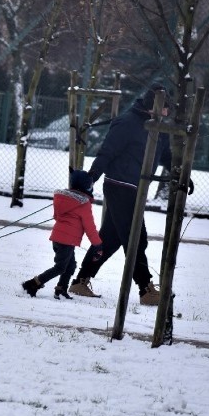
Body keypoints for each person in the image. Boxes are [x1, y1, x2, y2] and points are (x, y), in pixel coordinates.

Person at [68, 84, 175, 305]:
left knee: (110, 239)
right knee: (136, 237)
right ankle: (145, 289)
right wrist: (92, 176)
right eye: (165, 107)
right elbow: (108, 150)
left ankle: (80, 281)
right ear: (152, 106)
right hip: (119, 185)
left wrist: (182, 173)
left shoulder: (160, 129)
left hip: (136, 189)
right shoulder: (128, 123)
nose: (168, 112)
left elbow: (166, 157)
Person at [22, 170, 103, 300]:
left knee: (70, 266)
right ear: (87, 186)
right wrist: (97, 244)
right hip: (67, 240)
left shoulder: (62, 198)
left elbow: (56, 216)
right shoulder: (84, 204)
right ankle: (33, 284)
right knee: (60, 267)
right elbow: (90, 227)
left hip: (57, 237)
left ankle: (61, 289)